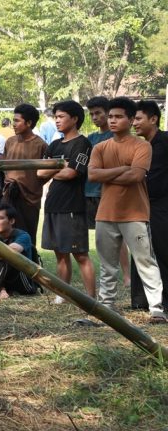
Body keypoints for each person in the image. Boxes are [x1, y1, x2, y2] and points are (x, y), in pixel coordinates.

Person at [88, 97, 166, 324]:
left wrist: (107, 174)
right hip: (105, 213)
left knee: (145, 262)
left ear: (131, 120)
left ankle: (156, 309)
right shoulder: (100, 147)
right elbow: (92, 175)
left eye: (118, 117)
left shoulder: (142, 146)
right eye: (111, 116)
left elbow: (136, 176)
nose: (112, 121)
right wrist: (122, 169)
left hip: (135, 213)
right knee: (107, 265)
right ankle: (106, 306)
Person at [38, 100, 95, 302]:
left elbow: (72, 173)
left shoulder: (82, 144)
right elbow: (40, 172)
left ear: (75, 119)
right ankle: (62, 294)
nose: (57, 120)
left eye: (61, 116)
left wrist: (55, 169)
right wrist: (61, 166)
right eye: (56, 117)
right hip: (52, 204)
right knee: (60, 253)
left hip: (72, 206)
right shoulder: (54, 144)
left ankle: (91, 298)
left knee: (80, 254)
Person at [85, 96, 130, 286]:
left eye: (98, 113)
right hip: (89, 192)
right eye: (92, 114)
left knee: (118, 236)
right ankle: (107, 275)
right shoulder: (90, 139)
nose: (95, 117)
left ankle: (127, 275)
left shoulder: (116, 137)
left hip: (109, 192)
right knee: (100, 237)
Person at [130, 101, 168, 311]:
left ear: (153, 119)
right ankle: (141, 300)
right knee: (140, 249)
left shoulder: (164, 142)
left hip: (161, 206)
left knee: (161, 250)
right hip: (141, 204)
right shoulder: (140, 146)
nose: (134, 123)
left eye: (138, 118)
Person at [3, 103, 47, 250]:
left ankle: (29, 264)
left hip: (29, 199)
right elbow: (3, 166)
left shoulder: (41, 145)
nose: (13, 124)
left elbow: (46, 173)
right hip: (8, 195)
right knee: (6, 234)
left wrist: (32, 185)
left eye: (17, 121)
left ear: (28, 123)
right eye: (13, 120)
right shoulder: (10, 142)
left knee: (27, 236)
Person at [0, 204, 37, 299]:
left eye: (0, 218)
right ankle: (1, 289)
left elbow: (11, 251)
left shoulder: (23, 236)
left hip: (22, 282)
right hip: (2, 280)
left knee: (10, 255)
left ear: (11, 221)